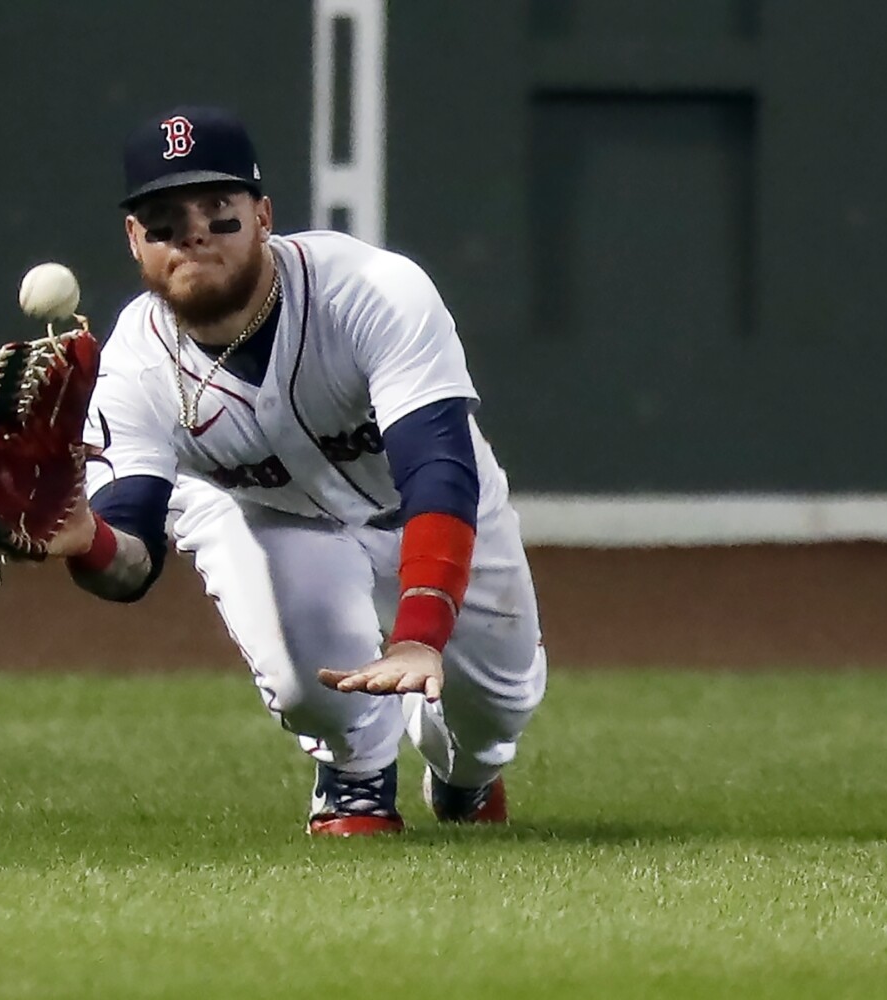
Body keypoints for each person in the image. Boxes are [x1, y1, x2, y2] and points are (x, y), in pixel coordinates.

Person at [45, 106, 547, 836]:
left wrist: (418, 630)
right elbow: (132, 561)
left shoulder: (372, 292)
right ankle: (353, 772)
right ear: (134, 240)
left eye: (219, 211)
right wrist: (81, 539)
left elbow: (439, 465)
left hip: (416, 505)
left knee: (497, 710)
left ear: (264, 215)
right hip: (261, 511)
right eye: (163, 219)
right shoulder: (134, 362)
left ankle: (464, 775)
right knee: (302, 678)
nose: (193, 233)